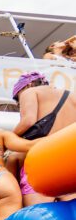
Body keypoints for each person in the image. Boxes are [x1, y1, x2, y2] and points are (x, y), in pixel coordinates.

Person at [11, 72, 76, 205]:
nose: (19, 104)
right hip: (70, 161)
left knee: (38, 216)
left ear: (28, 85)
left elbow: (28, 121)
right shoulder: (72, 96)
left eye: (18, 99)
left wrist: (9, 138)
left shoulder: (30, 92)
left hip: (45, 160)